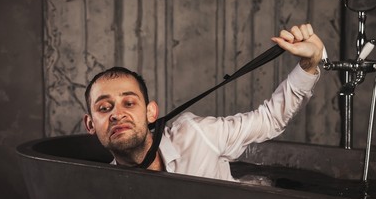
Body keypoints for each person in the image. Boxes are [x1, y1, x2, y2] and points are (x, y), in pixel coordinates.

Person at [84, 23, 323, 181]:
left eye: (129, 103)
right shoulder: (105, 187)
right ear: (90, 124)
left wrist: (309, 65)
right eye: (104, 108)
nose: (117, 114)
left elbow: (270, 119)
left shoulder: (199, 135)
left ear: (151, 112)